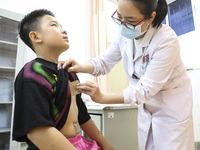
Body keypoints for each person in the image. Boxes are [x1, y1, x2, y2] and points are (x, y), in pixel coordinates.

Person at [59, 0, 195, 150]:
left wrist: (103, 97)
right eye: (119, 16)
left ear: (150, 17)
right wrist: (80, 67)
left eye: (130, 20)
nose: (123, 25)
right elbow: (104, 62)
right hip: (146, 107)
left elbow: (144, 90)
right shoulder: (124, 35)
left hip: (171, 111)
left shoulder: (166, 40)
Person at [12, 9, 115, 150]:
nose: (64, 30)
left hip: (80, 143)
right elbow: (38, 131)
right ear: (35, 37)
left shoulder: (68, 72)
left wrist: (106, 145)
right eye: (54, 25)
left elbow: (82, 115)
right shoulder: (32, 74)